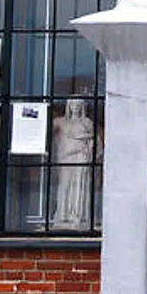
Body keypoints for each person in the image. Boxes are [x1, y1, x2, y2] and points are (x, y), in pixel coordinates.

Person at [51, 97, 96, 230]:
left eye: (78, 105)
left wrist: (87, 145)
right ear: (68, 107)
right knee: (65, 184)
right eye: (73, 105)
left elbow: (93, 141)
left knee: (79, 185)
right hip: (67, 156)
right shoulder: (62, 122)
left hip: (81, 156)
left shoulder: (87, 122)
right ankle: (63, 214)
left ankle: (78, 215)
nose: (75, 108)